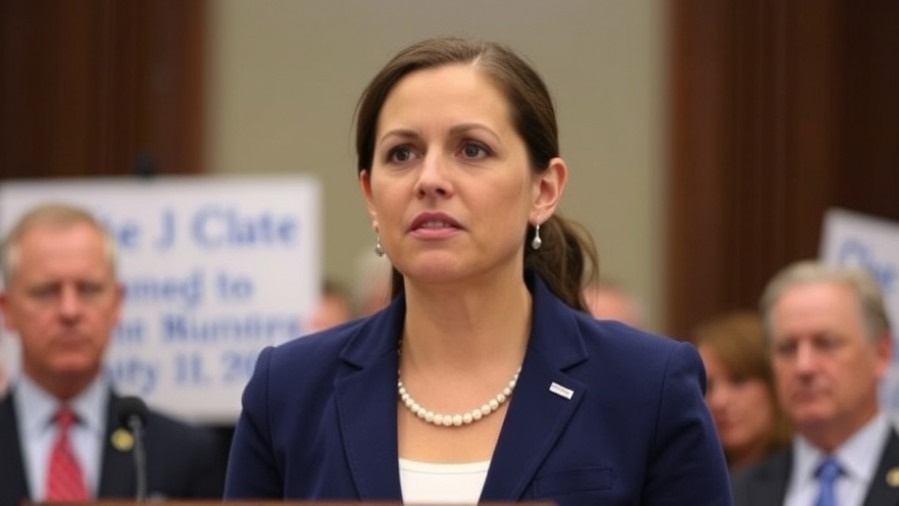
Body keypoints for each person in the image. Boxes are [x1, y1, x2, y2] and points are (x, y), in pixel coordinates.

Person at [224, 36, 730, 504]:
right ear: (370, 196)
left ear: (544, 190)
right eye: (402, 153)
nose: (430, 179)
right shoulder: (288, 390)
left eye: (472, 149)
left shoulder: (647, 386)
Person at [0, 203, 226, 504]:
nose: (70, 311)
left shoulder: (185, 452)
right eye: (46, 291)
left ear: (117, 304)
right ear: (7, 309)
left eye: (89, 289)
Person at [731, 260, 898, 505]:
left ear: (881, 354)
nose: (804, 367)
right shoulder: (736, 492)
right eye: (787, 349)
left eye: (826, 343)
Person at [693, 310, 792, 472]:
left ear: (774, 384)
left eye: (738, 381)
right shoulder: (691, 479)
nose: (719, 401)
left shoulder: (803, 478)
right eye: (707, 386)